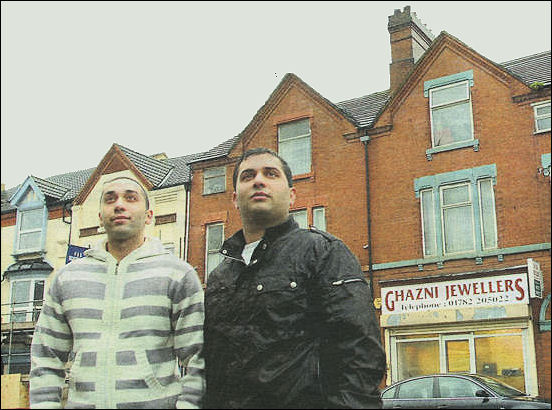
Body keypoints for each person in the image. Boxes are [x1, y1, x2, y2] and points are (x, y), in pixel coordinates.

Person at [204, 148, 386, 409]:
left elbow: (359, 353)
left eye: (271, 174)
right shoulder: (221, 275)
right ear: (234, 198)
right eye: (247, 176)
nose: (258, 180)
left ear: (291, 195)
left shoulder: (323, 252)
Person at [29, 176, 205, 409]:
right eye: (110, 199)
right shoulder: (67, 278)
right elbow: (45, 358)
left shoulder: (177, 274)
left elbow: (200, 358)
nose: (119, 204)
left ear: (149, 215)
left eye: (130, 198)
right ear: (100, 217)